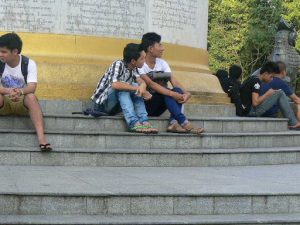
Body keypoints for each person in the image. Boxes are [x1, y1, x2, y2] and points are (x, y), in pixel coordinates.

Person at [138, 32, 204, 134]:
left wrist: (186, 93)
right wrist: (171, 93)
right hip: (148, 105)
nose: (162, 48)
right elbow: (151, 84)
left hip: (161, 104)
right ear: (150, 48)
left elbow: (174, 80)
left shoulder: (162, 63)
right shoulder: (141, 64)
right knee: (167, 92)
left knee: (177, 90)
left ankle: (173, 123)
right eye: (159, 45)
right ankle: (183, 121)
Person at [0, 32, 52, 151]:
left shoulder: (28, 63)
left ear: (15, 51)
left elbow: (32, 86)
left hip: (22, 102)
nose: (0, 54)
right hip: (4, 102)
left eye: (3, 52)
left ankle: (42, 138)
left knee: (31, 97)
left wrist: (19, 92)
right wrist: (9, 91)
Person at [91, 43, 157, 133]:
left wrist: (142, 88)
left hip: (116, 106)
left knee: (134, 87)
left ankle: (144, 120)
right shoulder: (118, 64)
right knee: (124, 87)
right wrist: (138, 88)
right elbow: (115, 85)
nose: (144, 61)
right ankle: (133, 122)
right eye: (142, 58)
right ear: (133, 61)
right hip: (103, 106)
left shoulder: (134, 68)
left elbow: (141, 81)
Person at [240, 61, 300, 129]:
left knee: (278, 93)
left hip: (246, 110)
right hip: (251, 112)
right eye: (271, 77)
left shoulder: (252, 78)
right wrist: (267, 94)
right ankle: (293, 122)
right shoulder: (256, 82)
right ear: (265, 73)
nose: (271, 79)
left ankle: (293, 122)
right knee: (280, 93)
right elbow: (255, 103)